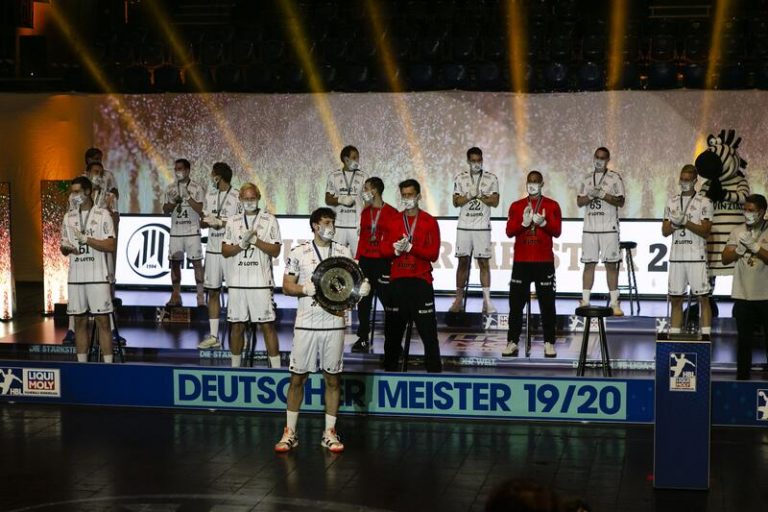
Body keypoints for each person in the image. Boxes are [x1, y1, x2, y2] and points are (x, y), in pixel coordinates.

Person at [275, 207, 370, 453]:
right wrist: (302, 289)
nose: (331, 226)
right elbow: (286, 285)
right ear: (315, 225)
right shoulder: (298, 252)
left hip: (334, 323)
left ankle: (329, 432)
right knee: (297, 378)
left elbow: (352, 287)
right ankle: (290, 433)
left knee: (332, 379)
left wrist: (362, 289)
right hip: (306, 323)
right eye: (327, 222)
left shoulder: (343, 251)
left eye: (333, 222)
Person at [380, 179, 442, 373]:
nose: (407, 199)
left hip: (421, 282)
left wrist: (412, 248)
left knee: (429, 335)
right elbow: (382, 250)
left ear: (418, 196)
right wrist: (395, 251)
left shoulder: (429, 221)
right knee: (392, 334)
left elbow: (433, 254)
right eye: (404, 195)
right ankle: (390, 374)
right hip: (398, 282)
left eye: (410, 195)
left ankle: (434, 374)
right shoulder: (393, 220)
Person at [63, 148, 120, 344]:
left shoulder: (108, 196)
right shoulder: (75, 196)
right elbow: (71, 219)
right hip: (80, 256)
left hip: (101, 249)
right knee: (76, 300)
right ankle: (71, 330)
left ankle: (112, 330)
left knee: (107, 287)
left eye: (100, 172)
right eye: (94, 172)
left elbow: (115, 220)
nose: (97, 176)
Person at [221, 183, 282, 368]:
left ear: (259, 197)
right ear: (240, 199)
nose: (249, 202)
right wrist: (241, 246)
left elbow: (276, 250)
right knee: (237, 326)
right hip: (237, 283)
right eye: (246, 199)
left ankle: (277, 370)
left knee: (267, 326)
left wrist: (256, 241)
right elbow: (224, 250)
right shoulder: (232, 221)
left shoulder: (269, 219)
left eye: (252, 198)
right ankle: (235, 369)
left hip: (260, 283)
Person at [503, 171, 562, 358]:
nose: (533, 184)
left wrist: (544, 223)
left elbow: (558, 231)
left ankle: (549, 342)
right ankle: (512, 341)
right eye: (530, 181)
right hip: (522, 262)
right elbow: (509, 232)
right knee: (515, 304)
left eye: (536, 181)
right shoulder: (516, 206)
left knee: (547, 304)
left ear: (542, 183)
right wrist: (523, 223)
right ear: (526, 183)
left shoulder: (552, 205)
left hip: (544, 262)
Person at [59, 176, 116, 363]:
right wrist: (66, 248)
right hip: (75, 277)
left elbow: (111, 245)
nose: (73, 196)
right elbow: (63, 248)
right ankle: (82, 367)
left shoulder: (102, 214)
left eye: (77, 192)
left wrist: (87, 240)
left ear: (88, 192)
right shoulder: (69, 217)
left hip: (97, 276)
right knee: (79, 322)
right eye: (72, 192)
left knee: (103, 322)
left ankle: (109, 368)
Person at [661, 165, 713, 336]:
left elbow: (705, 231)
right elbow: (664, 231)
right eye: (682, 179)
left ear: (695, 181)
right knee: (676, 299)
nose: (684, 183)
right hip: (677, 257)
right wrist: (675, 224)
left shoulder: (705, 202)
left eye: (687, 180)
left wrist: (686, 222)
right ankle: (675, 337)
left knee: (703, 299)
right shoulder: (672, 201)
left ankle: (706, 338)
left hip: (696, 257)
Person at [722, 194, 768, 380]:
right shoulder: (737, 230)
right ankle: (742, 380)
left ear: (762, 212)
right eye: (745, 210)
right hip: (743, 295)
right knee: (744, 343)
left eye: (752, 210)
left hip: (765, 295)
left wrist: (756, 248)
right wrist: (739, 250)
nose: (747, 214)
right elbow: (725, 258)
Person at [449, 147, 500, 314]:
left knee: (483, 263)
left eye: (479, 160)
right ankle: (458, 300)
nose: (476, 163)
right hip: (464, 226)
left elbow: (495, 201)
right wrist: (469, 196)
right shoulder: (461, 178)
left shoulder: (491, 178)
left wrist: (480, 196)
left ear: (482, 160)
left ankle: (487, 301)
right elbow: (456, 201)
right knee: (463, 262)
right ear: (468, 161)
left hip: (482, 227)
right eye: (473, 160)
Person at [576, 146, 626, 316]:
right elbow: (579, 202)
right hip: (590, 229)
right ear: (593, 157)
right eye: (597, 157)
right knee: (589, 264)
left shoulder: (614, 178)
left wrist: (605, 195)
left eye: (603, 157)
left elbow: (621, 201)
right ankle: (585, 300)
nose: (599, 160)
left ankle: (614, 303)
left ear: (608, 159)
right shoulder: (587, 178)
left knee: (611, 265)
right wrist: (590, 196)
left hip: (609, 228)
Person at [351, 177, 398, 353]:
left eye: (367, 188)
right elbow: (363, 237)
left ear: (375, 190)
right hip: (365, 260)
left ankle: (393, 339)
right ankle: (363, 337)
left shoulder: (392, 212)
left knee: (388, 301)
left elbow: (395, 239)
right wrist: (359, 259)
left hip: (383, 261)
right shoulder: (365, 211)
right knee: (363, 300)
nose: (364, 191)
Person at [198, 162, 240, 349]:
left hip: (230, 250)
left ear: (219, 176)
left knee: (234, 292)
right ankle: (214, 336)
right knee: (213, 292)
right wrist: (206, 222)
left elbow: (241, 224)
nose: (211, 177)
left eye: (213, 173)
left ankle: (235, 334)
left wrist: (221, 223)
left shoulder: (237, 195)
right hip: (213, 250)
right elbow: (204, 220)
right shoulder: (210, 194)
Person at [162, 158, 205, 307]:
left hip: (192, 231)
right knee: (174, 264)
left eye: (180, 169)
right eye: (176, 169)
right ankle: (175, 295)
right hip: (176, 232)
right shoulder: (170, 188)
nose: (178, 172)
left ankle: (200, 298)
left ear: (187, 170)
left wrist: (188, 197)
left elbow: (200, 210)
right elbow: (165, 210)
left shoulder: (197, 188)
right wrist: (173, 202)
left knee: (197, 264)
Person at [325, 145, 367, 257]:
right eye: (354, 157)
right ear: (345, 159)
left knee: (359, 259)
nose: (357, 160)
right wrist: (341, 199)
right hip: (339, 225)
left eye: (358, 158)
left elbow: (368, 201)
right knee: (336, 258)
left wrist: (364, 222)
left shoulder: (364, 176)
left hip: (356, 225)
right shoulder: (333, 176)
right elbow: (328, 199)